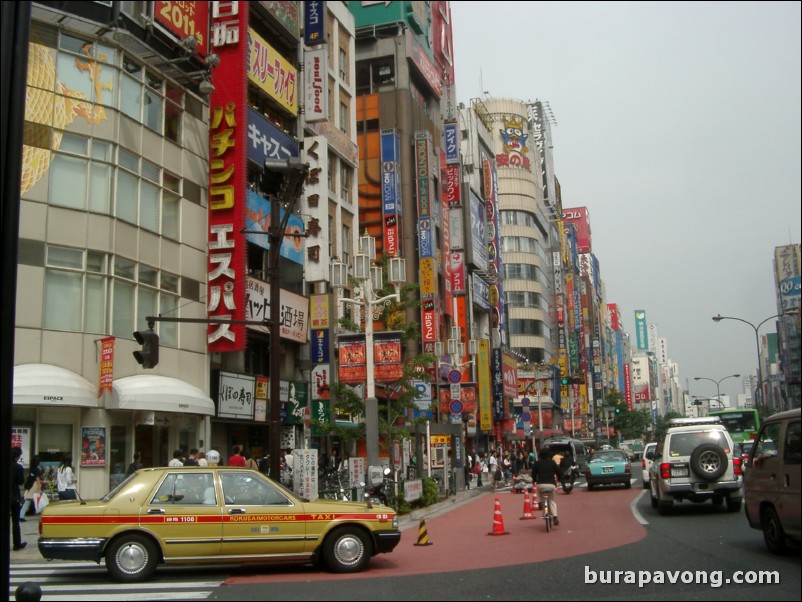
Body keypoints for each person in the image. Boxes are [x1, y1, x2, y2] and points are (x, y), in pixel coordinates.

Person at [532, 449, 562, 526]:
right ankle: (555, 517)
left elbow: (533, 474)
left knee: (538, 490)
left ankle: (540, 502)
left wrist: (534, 480)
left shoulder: (537, 463)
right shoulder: (552, 463)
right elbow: (558, 472)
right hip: (551, 484)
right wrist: (559, 478)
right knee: (552, 500)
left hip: (541, 484)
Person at [11, 447, 27, 551]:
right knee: (15, 521)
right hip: (14, 496)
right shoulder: (18, 467)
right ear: (17, 456)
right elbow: (21, 482)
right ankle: (17, 544)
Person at [20, 454, 43, 521]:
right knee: (39, 501)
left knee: (28, 501)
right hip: (35, 486)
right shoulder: (37, 470)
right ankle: (43, 515)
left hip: (30, 486)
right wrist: (40, 489)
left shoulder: (31, 469)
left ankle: (21, 515)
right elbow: (37, 479)